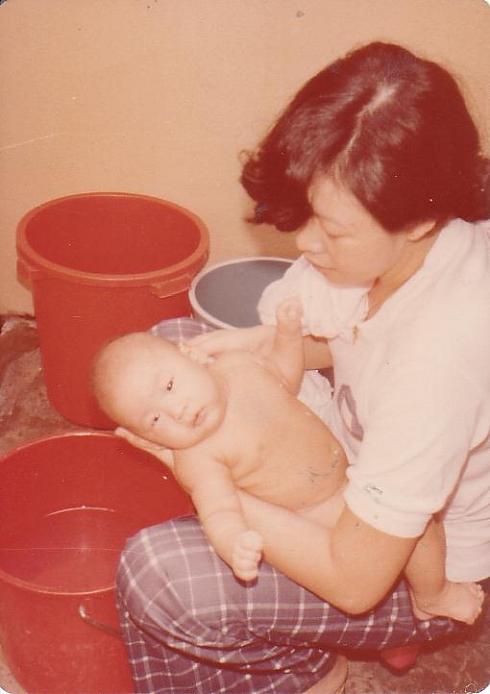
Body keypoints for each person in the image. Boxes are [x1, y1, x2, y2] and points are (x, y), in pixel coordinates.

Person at [114, 41, 490, 694]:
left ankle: (300, 673)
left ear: (421, 217)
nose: (306, 243)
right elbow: (345, 337)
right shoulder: (390, 253)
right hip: (355, 465)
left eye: (333, 230)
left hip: (422, 568)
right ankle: (294, 643)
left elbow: (355, 581)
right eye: (306, 214)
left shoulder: (440, 362)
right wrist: (260, 343)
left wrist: (209, 486)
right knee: (171, 351)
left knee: (160, 575)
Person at [93, 298, 483, 622]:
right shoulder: (199, 456)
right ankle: (433, 595)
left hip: (351, 473)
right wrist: (234, 543)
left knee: (421, 520)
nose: (176, 410)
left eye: (169, 385)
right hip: (319, 513)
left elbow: (285, 379)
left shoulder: (235, 365)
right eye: (154, 420)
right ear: (147, 437)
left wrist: (286, 337)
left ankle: (427, 592)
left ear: (190, 355)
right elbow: (219, 510)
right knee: (417, 529)